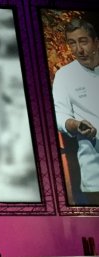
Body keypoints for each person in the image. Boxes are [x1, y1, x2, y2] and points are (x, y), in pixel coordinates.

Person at [52, 18, 99, 205]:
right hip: (95, 173)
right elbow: (60, 116)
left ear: (96, 41)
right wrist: (76, 125)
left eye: (83, 41)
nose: (78, 49)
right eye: (72, 43)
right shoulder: (64, 75)